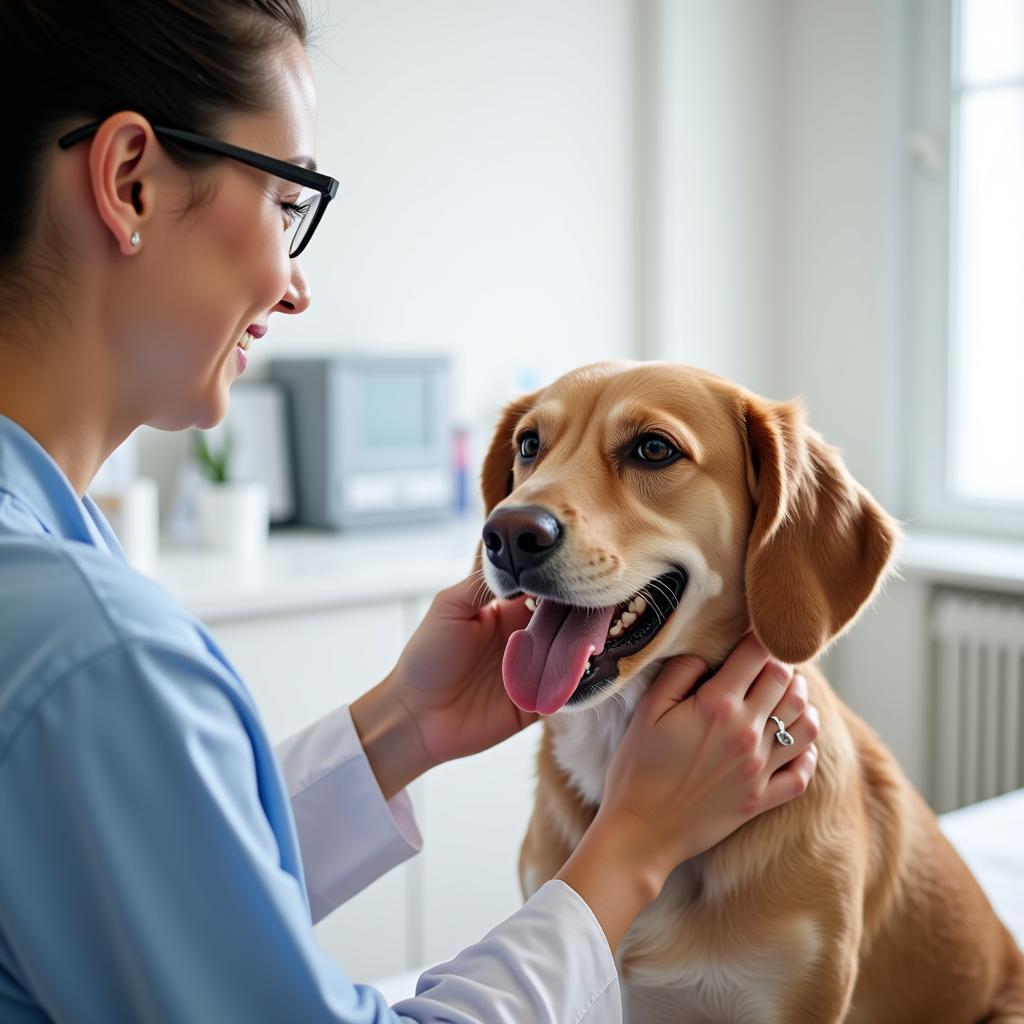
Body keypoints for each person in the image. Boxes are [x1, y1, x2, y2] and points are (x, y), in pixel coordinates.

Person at [0, 2, 819, 1021]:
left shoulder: (47, 577)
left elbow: (140, 880)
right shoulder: (92, 644)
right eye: (289, 202)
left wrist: (406, 721)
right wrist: (632, 851)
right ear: (130, 181)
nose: (295, 286)